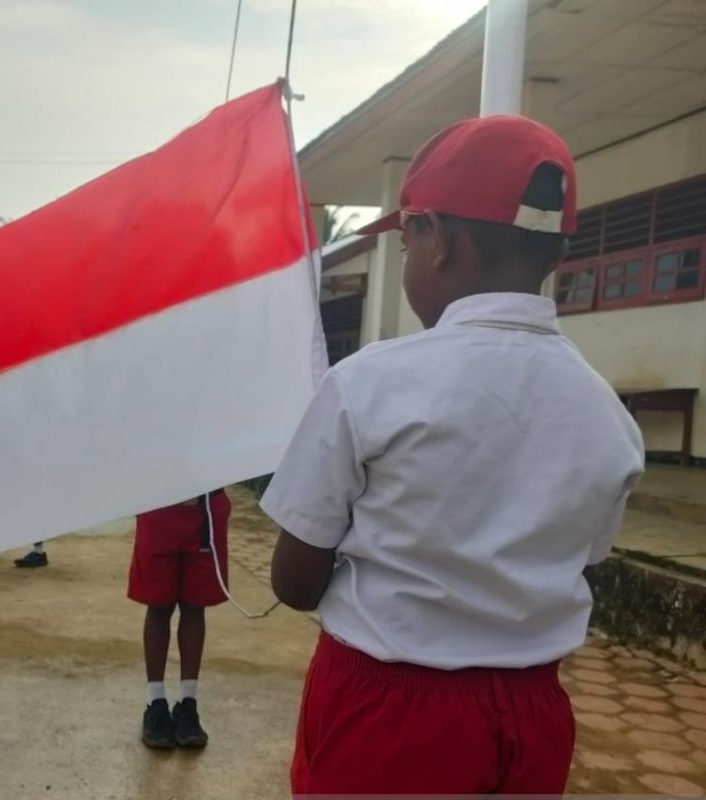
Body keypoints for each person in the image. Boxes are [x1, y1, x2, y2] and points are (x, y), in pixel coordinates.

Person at [261, 115, 645, 795]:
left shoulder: (369, 383)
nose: (406, 259)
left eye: (405, 242)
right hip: (532, 716)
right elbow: (579, 558)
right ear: (554, 254)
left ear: (436, 241)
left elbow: (294, 584)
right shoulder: (606, 412)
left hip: (388, 711)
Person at [128, 490, 230, 749]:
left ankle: (188, 703)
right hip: (159, 503)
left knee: (195, 606)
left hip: (205, 508)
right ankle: (155, 703)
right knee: (159, 605)